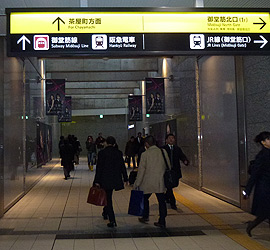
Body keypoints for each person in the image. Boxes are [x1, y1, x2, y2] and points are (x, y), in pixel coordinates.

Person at [134, 135, 170, 228]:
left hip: (147, 181)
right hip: (160, 181)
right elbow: (168, 166)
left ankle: (145, 216)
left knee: (145, 199)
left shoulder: (145, 154)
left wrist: (137, 183)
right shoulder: (163, 151)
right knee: (161, 201)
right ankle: (162, 220)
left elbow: (141, 170)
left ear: (147, 144)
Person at [93, 136, 128, 228]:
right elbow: (122, 167)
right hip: (115, 179)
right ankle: (105, 212)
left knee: (108, 198)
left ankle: (112, 220)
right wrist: (126, 178)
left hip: (104, 179)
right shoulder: (118, 153)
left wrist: (96, 181)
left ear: (106, 143)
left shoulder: (102, 153)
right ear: (114, 143)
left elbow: (99, 168)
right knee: (108, 196)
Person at [243, 131, 270, 237]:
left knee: (265, 213)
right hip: (265, 188)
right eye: (268, 139)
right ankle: (251, 225)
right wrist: (247, 190)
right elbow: (254, 175)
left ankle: (251, 225)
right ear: (263, 142)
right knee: (266, 212)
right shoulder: (262, 155)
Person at [162, 134, 189, 210]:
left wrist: (185, 161)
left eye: (172, 138)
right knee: (169, 187)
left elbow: (182, 156)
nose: (171, 139)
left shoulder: (177, 149)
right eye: (169, 138)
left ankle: (166, 197)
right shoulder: (163, 149)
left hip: (175, 171)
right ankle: (172, 203)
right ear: (166, 140)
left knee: (173, 185)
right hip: (166, 171)